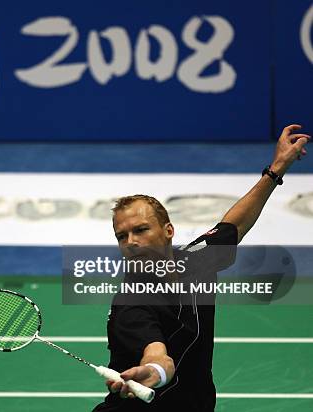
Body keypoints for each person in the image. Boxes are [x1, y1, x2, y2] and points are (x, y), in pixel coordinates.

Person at [92, 124, 310, 411]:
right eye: (122, 236)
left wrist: (277, 169)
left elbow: (235, 225)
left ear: (168, 230)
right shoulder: (132, 303)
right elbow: (157, 356)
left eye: (141, 230)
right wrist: (155, 373)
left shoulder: (195, 259)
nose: (131, 242)